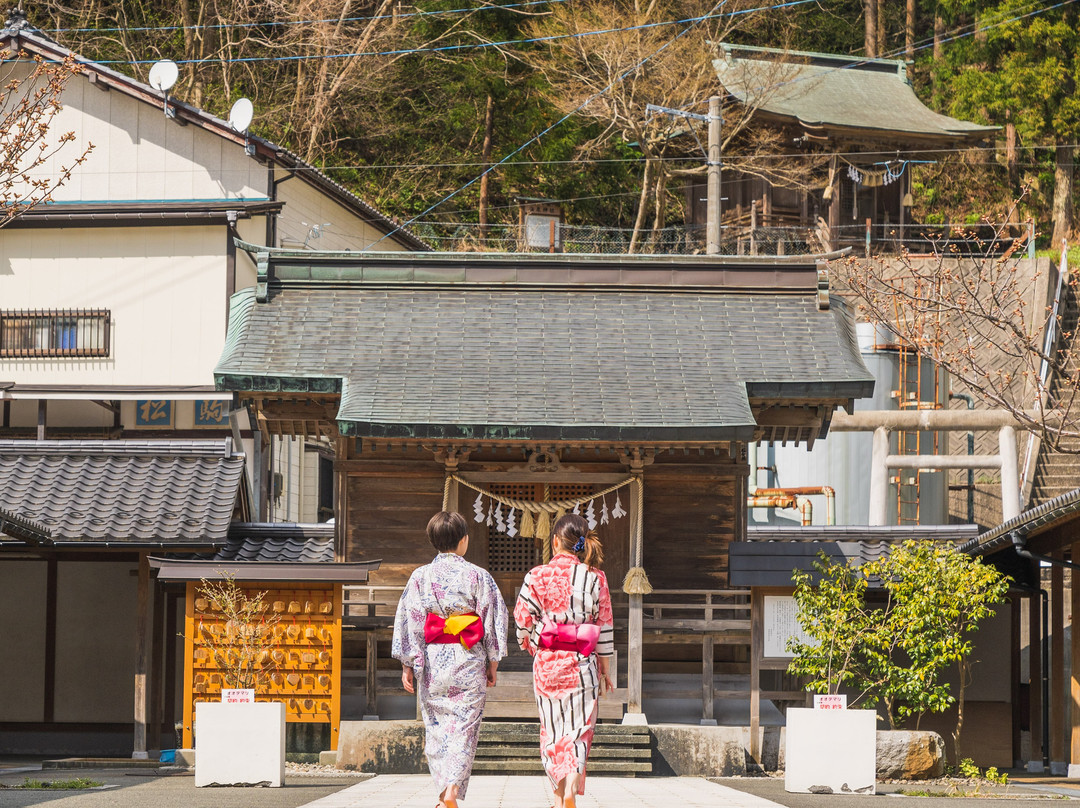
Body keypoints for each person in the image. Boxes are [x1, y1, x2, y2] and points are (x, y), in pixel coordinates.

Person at [393, 511, 508, 808]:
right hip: (468, 660)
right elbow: (493, 619)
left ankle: (445, 791)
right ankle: (451, 792)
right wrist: (492, 662)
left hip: (433, 662)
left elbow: (410, 620)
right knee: (464, 729)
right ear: (464, 540)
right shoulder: (478, 576)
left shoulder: (420, 576)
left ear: (433, 541)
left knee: (436, 728)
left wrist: (409, 663)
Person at [514, 513, 615, 808]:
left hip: (548, 664)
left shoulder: (537, 575)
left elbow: (522, 620)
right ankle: (570, 786)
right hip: (583, 664)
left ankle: (559, 799)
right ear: (581, 545)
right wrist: (605, 667)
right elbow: (604, 623)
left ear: (555, 540)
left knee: (553, 729)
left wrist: (532, 643)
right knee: (579, 731)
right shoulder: (596, 577)